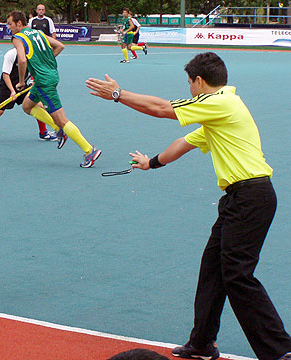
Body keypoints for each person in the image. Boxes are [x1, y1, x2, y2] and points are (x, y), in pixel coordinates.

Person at [86, 52, 291, 360]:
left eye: (189, 83)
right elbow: (184, 143)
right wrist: (151, 163)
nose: (189, 90)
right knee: (213, 269)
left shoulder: (221, 102)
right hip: (240, 199)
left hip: (252, 197)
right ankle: (202, 343)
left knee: (237, 274)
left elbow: (162, 108)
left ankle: (280, 350)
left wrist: (118, 94)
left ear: (198, 81)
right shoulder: (218, 113)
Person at [8, 10, 101, 168]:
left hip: (44, 82)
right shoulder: (37, 33)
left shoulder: (18, 38)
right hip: (49, 76)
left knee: (62, 119)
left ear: (18, 23)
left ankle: (89, 150)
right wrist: (44, 62)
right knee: (27, 106)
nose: (8, 27)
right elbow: (60, 46)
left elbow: (22, 61)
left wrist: (22, 82)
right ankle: (57, 129)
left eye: (10, 24)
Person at [0, 46, 57, 142]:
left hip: (23, 85)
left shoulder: (32, 54)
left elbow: (36, 69)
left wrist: (33, 80)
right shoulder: (11, 54)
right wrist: (12, 91)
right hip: (7, 87)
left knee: (39, 105)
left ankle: (43, 133)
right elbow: (5, 75)